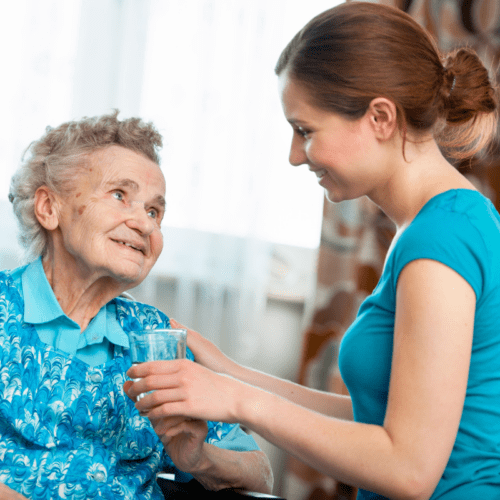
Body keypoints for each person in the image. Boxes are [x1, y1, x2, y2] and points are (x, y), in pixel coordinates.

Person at [125, 2, 500, 499]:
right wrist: (231, 373)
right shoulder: (437, 226)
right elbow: (379, 417)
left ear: (381, 118)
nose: (294, 155)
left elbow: (409, 470)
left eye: (305, 131)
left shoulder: (440, 240)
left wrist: (237, 400)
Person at [0, 111, 273, 499]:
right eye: (119, 195)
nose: (145, 225)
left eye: (153, 211)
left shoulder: (156, 339)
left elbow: (260, 475)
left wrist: (197, 458)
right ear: (49, 208)